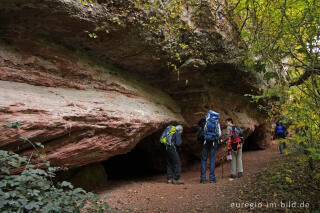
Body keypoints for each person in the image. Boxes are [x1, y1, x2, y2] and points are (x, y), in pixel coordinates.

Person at [198, 111, 221, 184]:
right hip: (214, 143)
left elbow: (201, 132)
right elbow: (219, 134)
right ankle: (212, 178)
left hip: (205, 143)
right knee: (212, 160)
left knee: (204, 160)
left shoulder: (205, 122)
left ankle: (203, 178)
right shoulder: (216, 122)